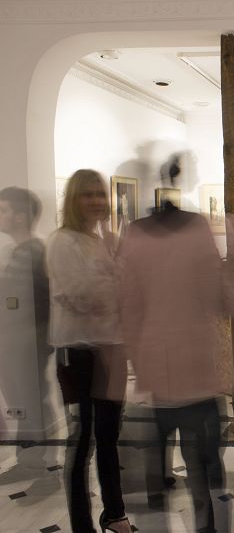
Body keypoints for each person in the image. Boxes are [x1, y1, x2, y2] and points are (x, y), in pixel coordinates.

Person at [117, 199, 234, 533]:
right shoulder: (194, 230)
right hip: (191, 372)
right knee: (200, 468)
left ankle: (186, 519)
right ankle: (204, 525)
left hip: (168, 372)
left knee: (174, 472)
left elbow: (128, 309)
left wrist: (138, 360)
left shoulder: (138, 235)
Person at [46, 170, 131, 533]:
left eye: (100, 193)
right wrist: (112, 285)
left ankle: (115, 513)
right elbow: (81, 297)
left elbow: (124, 292)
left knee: (110, 436)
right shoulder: (62, 242)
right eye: (88, 194)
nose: (96, 200)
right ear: (73, 199)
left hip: (111, 348)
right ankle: (82, 525)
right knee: (82, 441)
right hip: (78, 351)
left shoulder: (104, 242)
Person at [0, 187, 52, 476]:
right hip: (15, 343)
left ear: (21, 217)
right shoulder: (18, 251)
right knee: (21, 401)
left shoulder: (34, 252)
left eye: (3, 210)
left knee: (29, 401)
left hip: (25, 343)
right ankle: (28, 460)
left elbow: (31, 304)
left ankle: (34, 462)